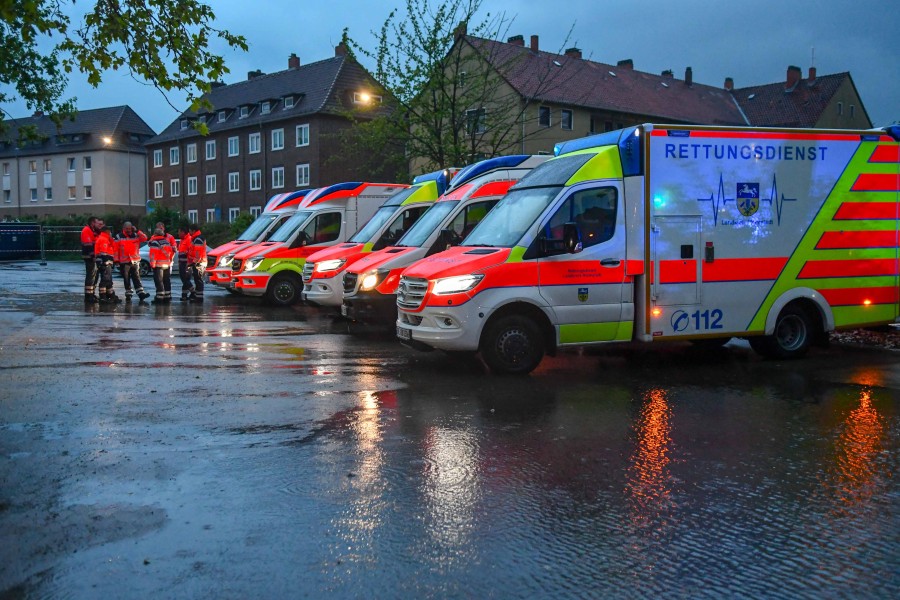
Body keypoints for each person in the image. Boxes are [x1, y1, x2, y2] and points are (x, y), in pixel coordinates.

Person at [114, 221, 150, 302]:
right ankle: (128, 293)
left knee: (136, 277)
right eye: (127, 229)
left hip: (134, 261)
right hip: (124, 261)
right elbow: (115, 249)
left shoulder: (136, 235)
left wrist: (137, 231)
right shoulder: (119, 237)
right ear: (123, 228)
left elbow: (144, 238)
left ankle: (141, 293)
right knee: (126, 278)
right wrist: (116, 260)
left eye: (130, 228)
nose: (128, 230)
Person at [94, 225, 121, 303]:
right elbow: (103, 252)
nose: (110, 233)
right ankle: (103, 296)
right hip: (104, 262)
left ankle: (110, 295)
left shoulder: (106, 239)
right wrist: (105, 262)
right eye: (109, 232)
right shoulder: (103, 239)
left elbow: (113, 246)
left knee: (108, 280)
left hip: (106, 262)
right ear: (107, 232)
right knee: (105, 280)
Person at [148, 227, 175, 303]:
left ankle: (159, 297)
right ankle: (168, 296)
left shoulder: (155, 242)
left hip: (158, 265)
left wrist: (152, 264)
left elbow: (153, 255)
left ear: (155, 234)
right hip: (166, 264)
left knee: (159, 281)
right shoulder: (166, 242)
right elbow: (171, 253)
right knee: (166, 280)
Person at [80, 216, 102, 302]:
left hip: (92, 257)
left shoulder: (92, 230)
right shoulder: (86, 230)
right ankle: (88, 296)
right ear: (92, 223)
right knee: (90, 276)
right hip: (89, 257)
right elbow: (88, 245)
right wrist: (93, 256)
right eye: (97, 223)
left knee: (94, 276)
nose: (98, 225)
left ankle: (91, 294)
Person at [187, 224, 207, 302]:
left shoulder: (198, 239)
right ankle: (198, 296)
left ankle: (199, 298)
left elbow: (198, 254)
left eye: (190, 230)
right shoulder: (197, 238)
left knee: (198, 280)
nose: (189, 232)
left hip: (199, 263)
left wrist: (193, 262)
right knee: (197, 280)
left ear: (193, 231)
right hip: (200, 262)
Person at [176, 226, 194, 301]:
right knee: (184, 279)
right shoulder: (182, 240)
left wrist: (189, 263)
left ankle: (193, 292)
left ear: (183, 232)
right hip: (182, 262)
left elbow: (190, 251)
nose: (178, 234)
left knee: (185, 279)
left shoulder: (189, 239)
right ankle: (184, 295)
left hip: (186, 263)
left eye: (179, 232)